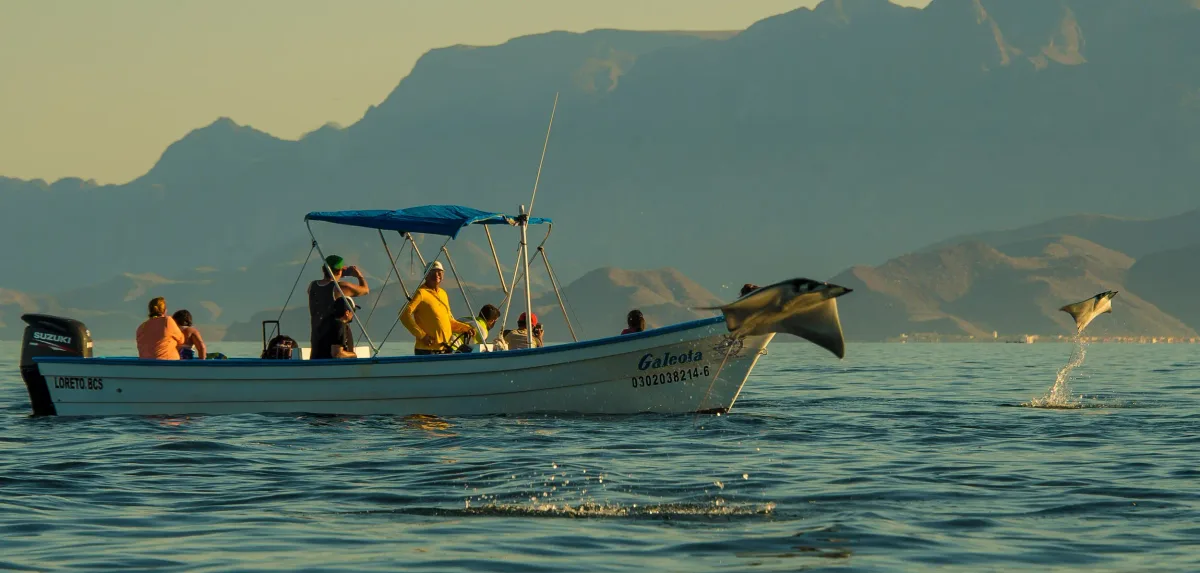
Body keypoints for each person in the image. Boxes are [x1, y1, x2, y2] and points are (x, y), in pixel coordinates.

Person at [399, 261, 476, 355]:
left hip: (445, 349)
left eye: (439, 272)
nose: (436, 275)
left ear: (443, 275)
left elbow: (449, 321)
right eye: (432, 272)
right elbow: (403, 314)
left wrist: (466, 328)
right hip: (427, 350)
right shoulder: (421, 293)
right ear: (426, 276)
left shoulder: (443, 294)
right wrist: (422, 336)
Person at [307, 254, 369, 355]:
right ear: (339, 271)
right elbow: (365, 290)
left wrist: (337, 274)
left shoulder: (312, 286)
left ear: (323, 269)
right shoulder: (339, 287)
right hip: (334, 342)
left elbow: (321, 293)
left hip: (316, 342)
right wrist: (359, 276)